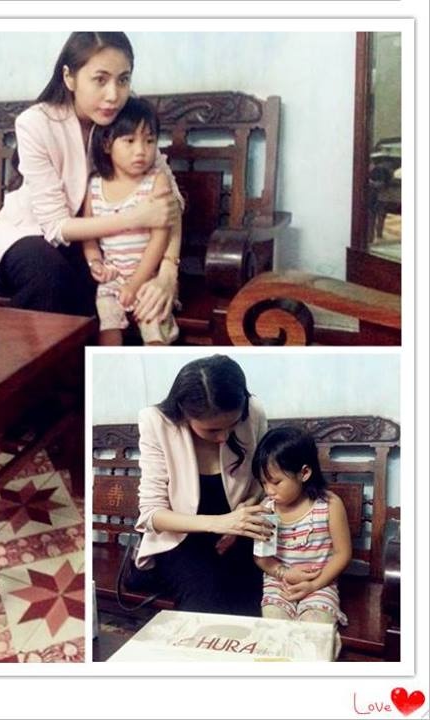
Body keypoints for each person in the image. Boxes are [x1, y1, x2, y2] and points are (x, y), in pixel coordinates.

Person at [0, 32, 182, 319]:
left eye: (123, 80)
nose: (113, 95)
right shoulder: (36, 123)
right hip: (31, 234)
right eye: (100, 80)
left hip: (91, 246)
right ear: (69, 77)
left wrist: (168, 273)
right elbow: (56, 227)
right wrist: (134, 218)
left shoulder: (126, 117)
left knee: (110, 289)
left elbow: (170, 204)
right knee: (49, 277)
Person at [132, 355, 273, 616]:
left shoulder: (252, 411)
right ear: (184, 414)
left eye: (232, 425)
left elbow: (262, 482)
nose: (224, 437)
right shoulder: (156, 422)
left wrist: (240, 517)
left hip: (238, 537)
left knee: (260, 600)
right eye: (211, 430)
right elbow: (151, 515)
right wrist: (221, 523)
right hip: (180, 541)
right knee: (207, 607)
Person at [82, 97, 179, 345]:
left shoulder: (156, 181)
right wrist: (95, 261)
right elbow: (88, 234)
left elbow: (160, 238)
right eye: (129, 141)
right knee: (107, 324)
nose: (141, 151)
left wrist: (135, 284)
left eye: (149, 141)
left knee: (153, 325)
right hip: (112, 280)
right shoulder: (95, 186)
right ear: (107, 144)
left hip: (150, 277)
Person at [251, 426, 352, 629]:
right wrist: (283, 573)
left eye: (276, 482)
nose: (269, 490)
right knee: (274, 629)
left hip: (321, 583)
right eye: (263, 483)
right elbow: (261, 557)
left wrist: (314, 585)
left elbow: (343, 554)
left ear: (304, 473)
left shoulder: (329, 505)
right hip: (279, 582)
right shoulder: (267, 508)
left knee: (315, 629)